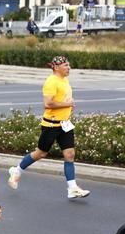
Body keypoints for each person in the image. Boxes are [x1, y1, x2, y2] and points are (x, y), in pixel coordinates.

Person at [7, 56, 90, 199]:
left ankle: (72, 188)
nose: (69, 67)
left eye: (68, 65)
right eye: (65, 65)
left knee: (70, 155)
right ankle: (17, 170)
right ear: (56, 68)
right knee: (41, 153)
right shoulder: (51, 82)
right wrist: (68, 104)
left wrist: (68, 105)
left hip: (65, 124)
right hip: (51, 125)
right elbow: (48, 104)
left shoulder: (64, 80)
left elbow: (62, 99)